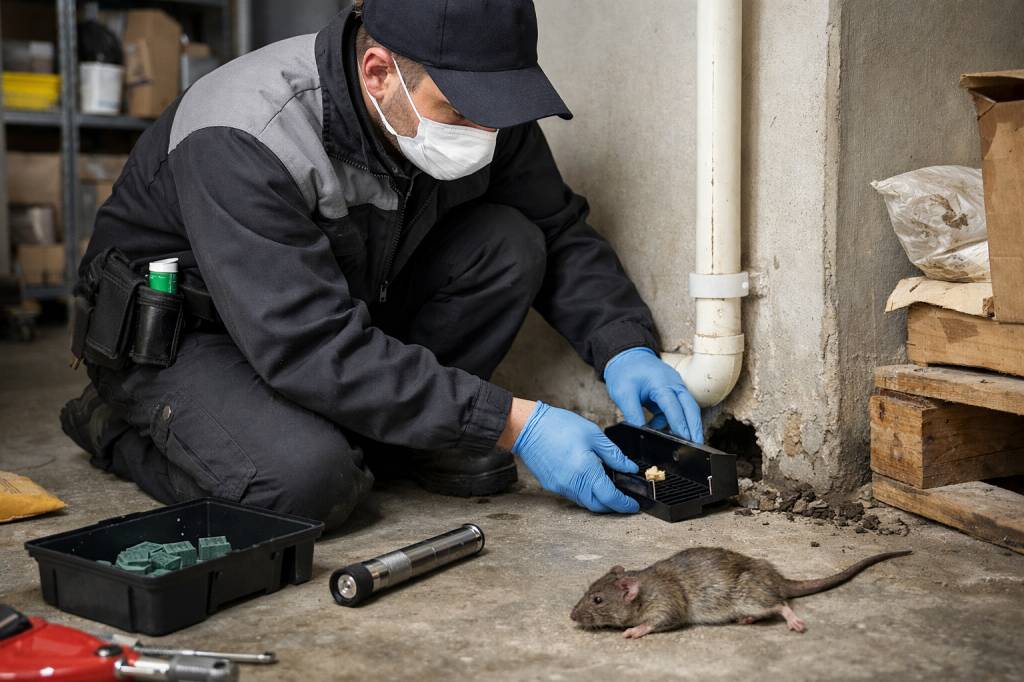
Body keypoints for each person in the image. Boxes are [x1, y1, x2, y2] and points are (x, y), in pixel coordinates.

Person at [61, 0, 703, 526]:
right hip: (185, 337)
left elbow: (554, 227)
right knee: (307, 484)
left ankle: (395, 437)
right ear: (377, 73)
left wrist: (623, 347)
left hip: (328, 309)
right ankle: (113, 425)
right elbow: (307, 346)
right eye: (459, 113)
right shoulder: (246, 134)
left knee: (510, 241)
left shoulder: (479, 105)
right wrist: (512, 423)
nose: (484, 134)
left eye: (496, 114)